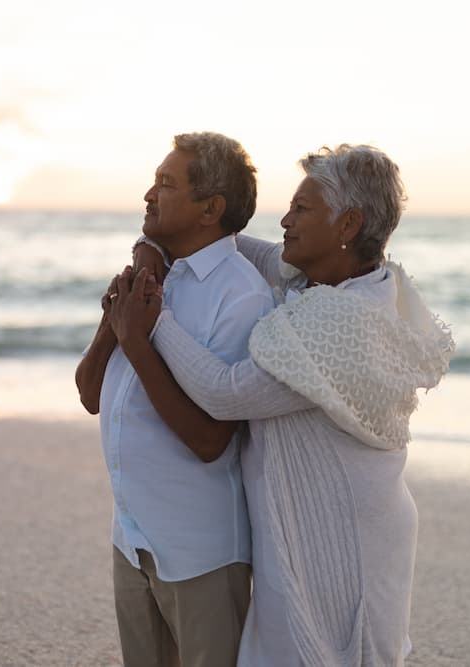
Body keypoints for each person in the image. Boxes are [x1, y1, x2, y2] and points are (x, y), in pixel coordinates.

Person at [113, 144, 455, 666]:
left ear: (347, 224)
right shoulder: (315, 278)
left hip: (344, 539)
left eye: (302, 209)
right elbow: (226, 244)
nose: (285, 221)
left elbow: (224, 393)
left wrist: (152, 323)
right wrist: (153, 244)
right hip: (294, 529)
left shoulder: (345, 323)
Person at [75, 132, 274, 667]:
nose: (149, 194)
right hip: (131, 538)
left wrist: (139, 341)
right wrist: (112, 324)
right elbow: (90, 393)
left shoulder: (241, 296)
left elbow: (211, 439)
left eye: (166, 184)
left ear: (211, 208)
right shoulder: (151, 274)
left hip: (199, 553)